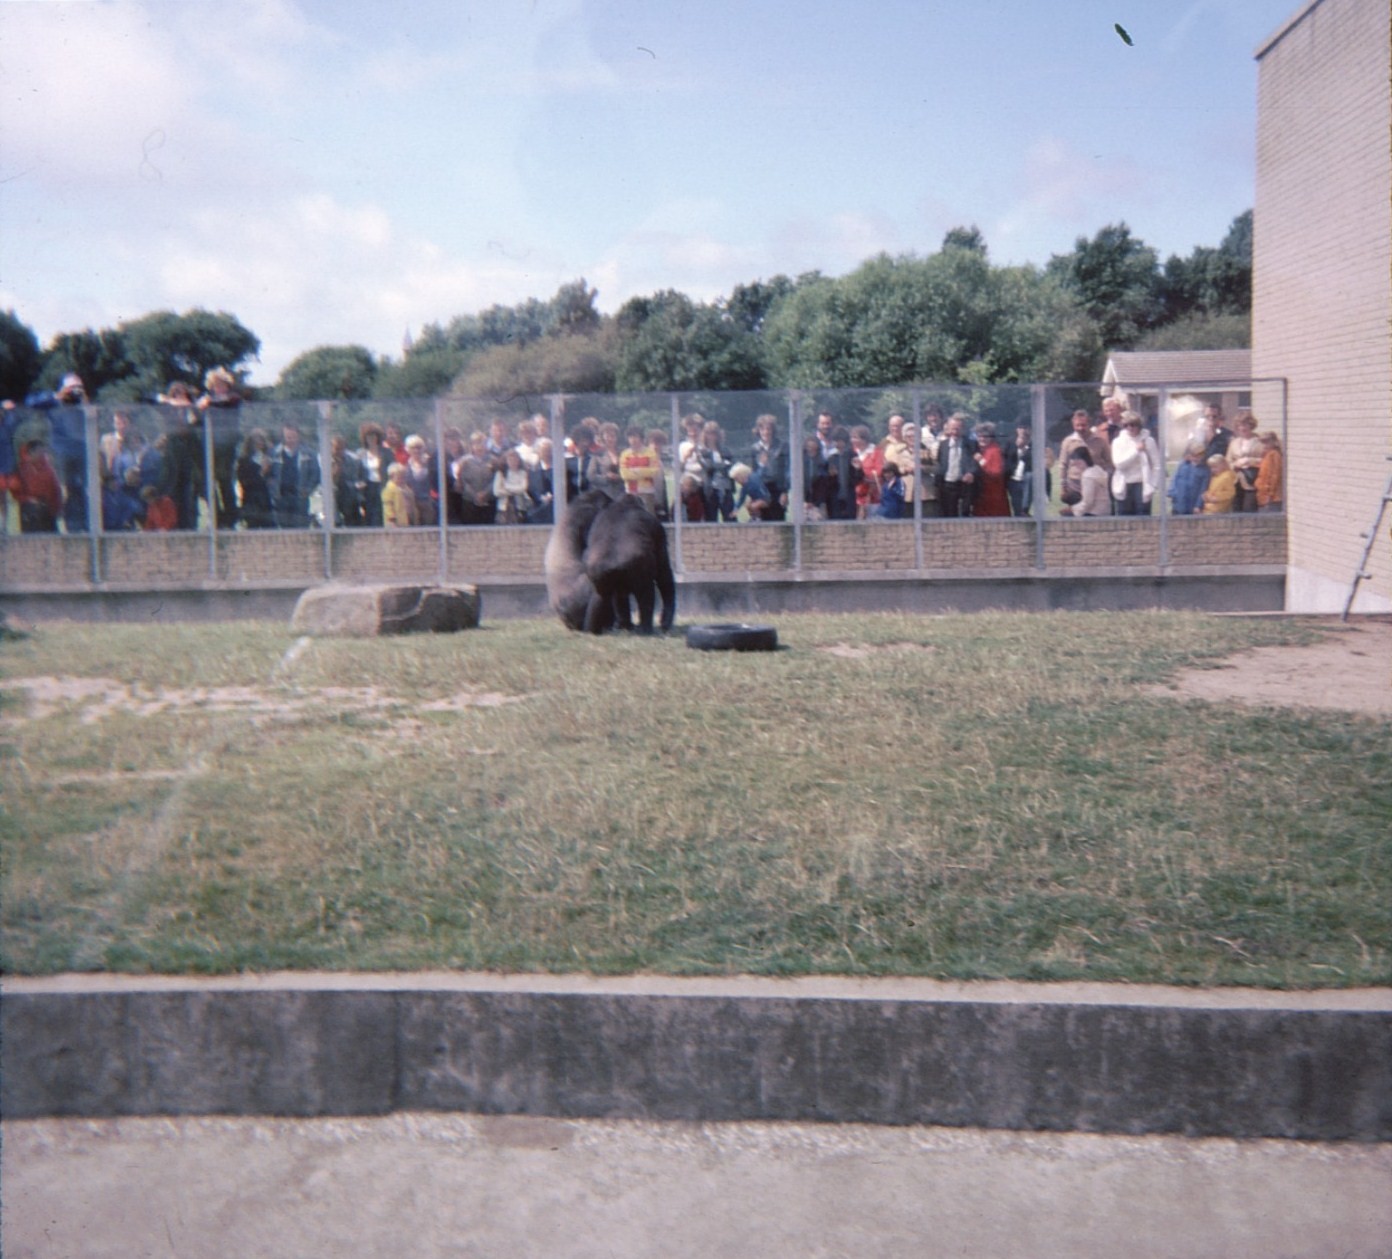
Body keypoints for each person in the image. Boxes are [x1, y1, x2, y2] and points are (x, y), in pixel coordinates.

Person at [198, 367, 243, 530]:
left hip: (226, 447)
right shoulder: (206, 400)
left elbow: (230, 401)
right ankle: (217, 517)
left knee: (225, 482)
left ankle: (230, 519)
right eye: (215, 384)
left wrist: (209, 402)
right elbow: (195, 414)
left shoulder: (232, 399)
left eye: (222, 384)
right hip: (209, 447)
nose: (219, 387)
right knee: (207, 484)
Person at [266, 425, 320, 528]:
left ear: (298, 436)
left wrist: (307, 490)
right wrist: (273, 489)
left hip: (300, 498)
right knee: (283, 531)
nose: (291, 440)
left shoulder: (309, 454)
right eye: (288, 437)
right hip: (280, 499)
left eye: (293, 437)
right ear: (283, 436)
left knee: (301, 529)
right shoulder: (274, 453)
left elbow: (315, 475)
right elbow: (268, 475)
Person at [1109, 411, 1161, 516]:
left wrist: (1153, 484)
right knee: (1124, 518)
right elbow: (1119, 464)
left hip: (1142, 484)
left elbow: (1157, 465)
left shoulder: (1149, 441)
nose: (1130, 428)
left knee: (1143, 518)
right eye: (1126, 425)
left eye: (1133, 425)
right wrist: (1136, 451)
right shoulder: (1118, 442)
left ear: (1139, 426)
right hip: (1124, 484)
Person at [12, 438, 62, 532]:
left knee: (50, 536)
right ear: (31, 452)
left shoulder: (49, 469)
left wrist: (57, 508)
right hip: (29, 508)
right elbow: (16, 492)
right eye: (40, 452)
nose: (42, 455)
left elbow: (56, 490)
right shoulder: (21, 469)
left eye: (43, 452)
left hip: (47, 508)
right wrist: (28, 499)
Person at [746, 413, 789, 521]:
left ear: (773, 430)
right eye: (762, 429)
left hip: (777, 489)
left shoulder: (782, 446)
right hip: (761, 489)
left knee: (777, 519)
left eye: (768, 429)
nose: (766, 432)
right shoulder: (755, 449)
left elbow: (786, 471)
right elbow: (753, 473)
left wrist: (784, 492)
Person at [935, 414, 977, 517]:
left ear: (963, 429)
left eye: (958, 429)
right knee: (949, 513)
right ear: (948, 429)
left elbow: (976, 462)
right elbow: (940, 462)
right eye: (953, 429)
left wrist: (971, 473)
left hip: (964, 484)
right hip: (947, 484)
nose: (955, 432)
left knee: (965, 512)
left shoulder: (971, 444)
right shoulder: (943, 444)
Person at [697, 420, 737, 521]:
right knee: (711, 519)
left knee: (730, 518)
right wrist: (723, 464)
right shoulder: (702, 451)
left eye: (714, 433)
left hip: (726, 489)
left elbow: (731, 467)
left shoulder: (725, 450)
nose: (711, 436)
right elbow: (708, 467)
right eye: (708, 433)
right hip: (711, 490)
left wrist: (722, 465)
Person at [354, 422, 392, 527]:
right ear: (365, 439)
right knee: (370, 512)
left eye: (373, 436)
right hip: (368, 488)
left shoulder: (386, 452)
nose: (371, 439)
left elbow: (392, 469)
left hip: (383, 486)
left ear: (378, 437)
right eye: (368, 437)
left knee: (382, 512)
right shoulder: (361, 454)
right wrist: (359, 485)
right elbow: (357, 474)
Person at [235, 428, 275, 528]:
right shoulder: (243, 461)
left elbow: (273, 479)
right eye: (256, 442)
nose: (259, 444)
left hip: (267, 503)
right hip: (251, 503)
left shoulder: (269, 458)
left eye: (262, 441)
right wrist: (261, 473)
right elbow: (244, 483)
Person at [454, 430, 496, 524]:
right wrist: (475, 495)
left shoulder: (493, 460)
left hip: (489, 501)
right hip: (470, 502)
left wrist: (485, 493)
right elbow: (463, 481)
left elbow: (496, 479)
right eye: (476, 444)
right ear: (472, 446)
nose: (479, 447)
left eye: (482, 443)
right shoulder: (464, 461)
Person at [1003, 423, 1045, 517]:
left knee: (1023, 508)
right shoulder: (1010, 442)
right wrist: (1018, 448)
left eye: (1025, 428)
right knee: (1017, 508)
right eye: (1020, 428)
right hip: (1013, 478)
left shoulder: (1035, 445)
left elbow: (1035, 462)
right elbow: (1006, 459)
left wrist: (1023, 448)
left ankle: (1025, 510)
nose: (1022, 430)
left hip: (1026, 479)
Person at [1226, 412, 1263, 513]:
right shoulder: (1234, 442)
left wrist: (1250, 461)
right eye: (1239, 426)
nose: (1242, 428)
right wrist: (1235, 464)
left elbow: (1266, 460)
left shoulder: (1260, 441)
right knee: (1236, 510)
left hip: (1252, 481)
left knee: (1249, 509)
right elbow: (1228, 462)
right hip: (1236, 481)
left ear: (1251, 425)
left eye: (1245, 425)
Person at [970, 422, 1010, 517]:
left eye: (985, 437)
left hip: (993, 494)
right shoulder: (981, 450)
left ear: (991, 438)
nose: (982, 439)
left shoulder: (994, 451)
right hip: (983, 493)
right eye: (980, 436)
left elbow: (996, 472)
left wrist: (980, 461)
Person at [823, 425, 862, 521]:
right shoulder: (831, 457)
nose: (836, 443)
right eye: (835, 441)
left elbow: (858, 479)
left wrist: (858, 469)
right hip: (834, 498)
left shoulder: (852, 455)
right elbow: (826, 483)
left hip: (849, 497)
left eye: (838, 441)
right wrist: (831, 476)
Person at [619, 425, 660, 512]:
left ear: (641, 438)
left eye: (636, 436)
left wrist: (636, 471)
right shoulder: (624, 454)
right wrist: (643, 472)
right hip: (630, 492)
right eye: (631, 437)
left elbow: (654, 471)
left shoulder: (650, 453)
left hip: (647, 492)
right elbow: (624, 474)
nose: (633, 440)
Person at [1059, 448, 1110, 517]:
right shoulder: (1098, 470)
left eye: (1076, 464)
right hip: (1106, 510)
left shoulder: (1088, 476)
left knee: (1065, 514)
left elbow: (1088, 503)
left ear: (1081, 461)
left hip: (1094, 513)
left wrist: (1073, 509)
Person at [1167, 443, 1211, 517]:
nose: (1195, 458)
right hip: (1179, 501)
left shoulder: (1204, 470)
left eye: (1198, 456)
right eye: (1193, 456)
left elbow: (1203, 489)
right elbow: (1175, 478)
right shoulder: (1183, 465)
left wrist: (1198, 505)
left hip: (1192, 503)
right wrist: (1172, 492)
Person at [492, 446, 532, 524]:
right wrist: (514, 491)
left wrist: (506, 487)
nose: (513, 462)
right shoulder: (501, 474)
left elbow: (523, 488)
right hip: (503, 509)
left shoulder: (523, 473)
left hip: (519, 508)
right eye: (510, 460)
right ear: (506, 461)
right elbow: (496, 492)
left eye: (515, 459)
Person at [588, 421, 625, 501]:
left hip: (621, 494)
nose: (610, 439)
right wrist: (606, 478)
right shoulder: (597, 454)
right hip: (603, 495)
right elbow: (591, 475)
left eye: (613, 436)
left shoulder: (623, 453)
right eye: (607, 436)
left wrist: (619, 477)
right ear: (602, 437)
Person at [851, 424, 882, 517]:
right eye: (852, 437)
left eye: (855, 437)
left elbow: (879, 471)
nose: (852, 440)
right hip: (855, 496)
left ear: (864, 439)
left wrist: (862, 472)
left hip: (872, 496)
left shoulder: (876, 452)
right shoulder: (852, 453)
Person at [525, 437, 556, 524]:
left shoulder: (560, 468)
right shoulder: (533, 471)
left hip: (557, 508)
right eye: (543, 450)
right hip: (539, 508)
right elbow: (531, 489)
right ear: (538, 452)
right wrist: (541, 498)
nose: (546, 453)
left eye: (548, 450)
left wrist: (553, 497)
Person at [381, 461, 418, 527]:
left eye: (403, 476)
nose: (402, 479)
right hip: (396, 523)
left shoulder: (407, 489)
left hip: (409, 520)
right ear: (391, 477)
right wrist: (391, 521)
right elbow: (388, 506)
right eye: (399, 477)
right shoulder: (389, 490)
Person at [1255, 431, 1284, 513]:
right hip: (1263, 494)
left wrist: (1270, 493)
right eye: (1262, 442)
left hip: (1272, 497)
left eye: (1267, 442)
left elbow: (1275, 475)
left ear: (1274, 442)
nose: (1264, 445)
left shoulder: (1274, 455)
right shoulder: (1266, 455)